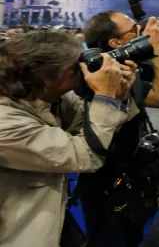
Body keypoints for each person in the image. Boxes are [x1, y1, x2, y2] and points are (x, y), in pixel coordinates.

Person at [0, 30, 135, 246]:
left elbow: (97, 127)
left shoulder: (48, 98)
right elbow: (86, 154)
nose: (82, 73)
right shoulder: (5, 124)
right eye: (75, 69)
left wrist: (117, 95)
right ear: (45, 77)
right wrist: (105, 97)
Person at [79, 12, 159, 247]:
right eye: (134, 30)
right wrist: (154, 46)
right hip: (107, 185)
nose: (141, 32)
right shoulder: (99, 76)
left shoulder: (128, 68)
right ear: (115, 43)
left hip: (132, 177)